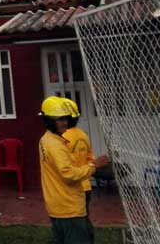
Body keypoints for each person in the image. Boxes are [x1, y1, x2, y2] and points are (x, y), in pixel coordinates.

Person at [39, 97, 110, 244]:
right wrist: (94, 165)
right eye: (59, 119)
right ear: (49, 120)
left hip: (57, 204)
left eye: (65, 118)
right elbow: (69, 174)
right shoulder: (56, 145)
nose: (64, 122)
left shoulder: (46, 139)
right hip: (69, 206)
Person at [61, 99, 96, 219]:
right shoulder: (83, 135)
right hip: (86, 186)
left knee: (72, 222)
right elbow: (90, 158)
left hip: (71, 188)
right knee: (85, 218)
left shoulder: (62, 137)